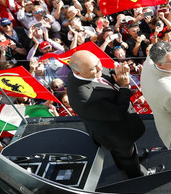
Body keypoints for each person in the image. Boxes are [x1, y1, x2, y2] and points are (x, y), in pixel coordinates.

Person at [67, 49, 156, 178]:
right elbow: (118, 112)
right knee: (126, 154)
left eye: (98, 62)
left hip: (117, 126)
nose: (100, 68)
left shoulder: (89, 70)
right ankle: (140, 175)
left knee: (125, 153)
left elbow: (108, 73)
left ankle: (127, 161)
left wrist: (120, 72)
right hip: (113, 133)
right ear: (77, 72)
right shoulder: (84, 98)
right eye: (94, 68)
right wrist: (124, 87)